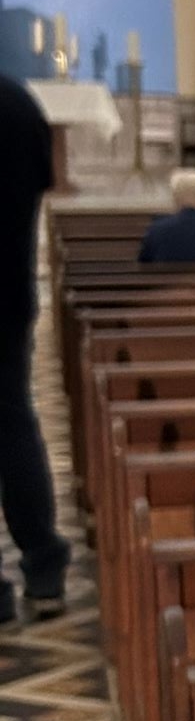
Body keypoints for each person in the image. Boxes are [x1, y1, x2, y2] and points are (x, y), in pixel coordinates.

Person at [0, 74, 71, 621]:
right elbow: (44, 184)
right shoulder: (19, 102)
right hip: (8, 293)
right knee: (15, 425)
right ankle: (44, 567)